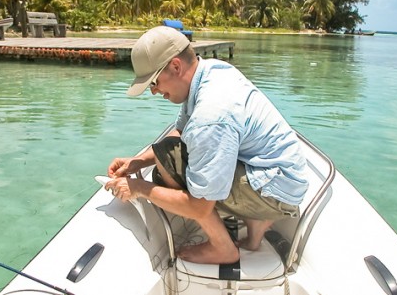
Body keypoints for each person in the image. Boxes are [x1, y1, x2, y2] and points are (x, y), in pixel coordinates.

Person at [104, 26, 309, 265]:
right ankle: (256, 225)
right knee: (166, 153)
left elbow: (200, 208)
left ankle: (223, 248)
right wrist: (138, 161)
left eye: (155, 82)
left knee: (166, 168)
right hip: (281, 175)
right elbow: (179, 131)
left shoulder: (210, 115)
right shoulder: (211, 71)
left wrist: (139, 187)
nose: (154, 91)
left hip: (275, 191)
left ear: (176, 66)